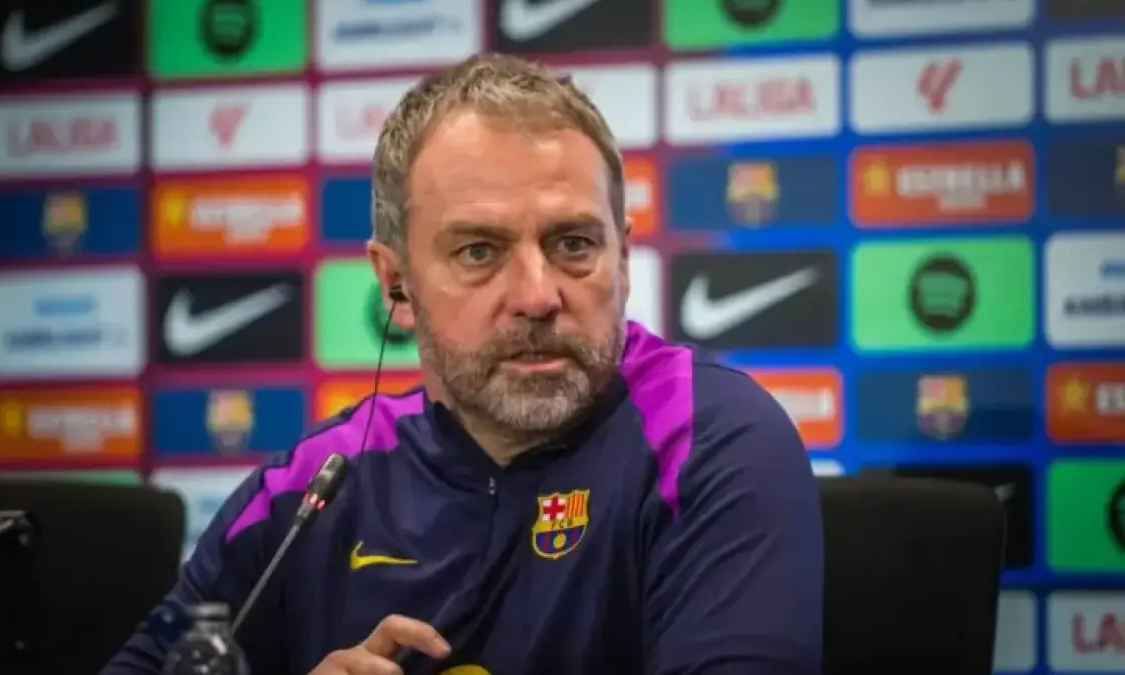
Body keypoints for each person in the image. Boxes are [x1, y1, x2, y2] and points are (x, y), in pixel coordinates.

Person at [103, 53, 823, 675]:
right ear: (396, 284)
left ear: (625, 259)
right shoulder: (315, 485)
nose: (538, 296)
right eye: (479, 251)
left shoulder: (708, 439)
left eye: (574, 244)